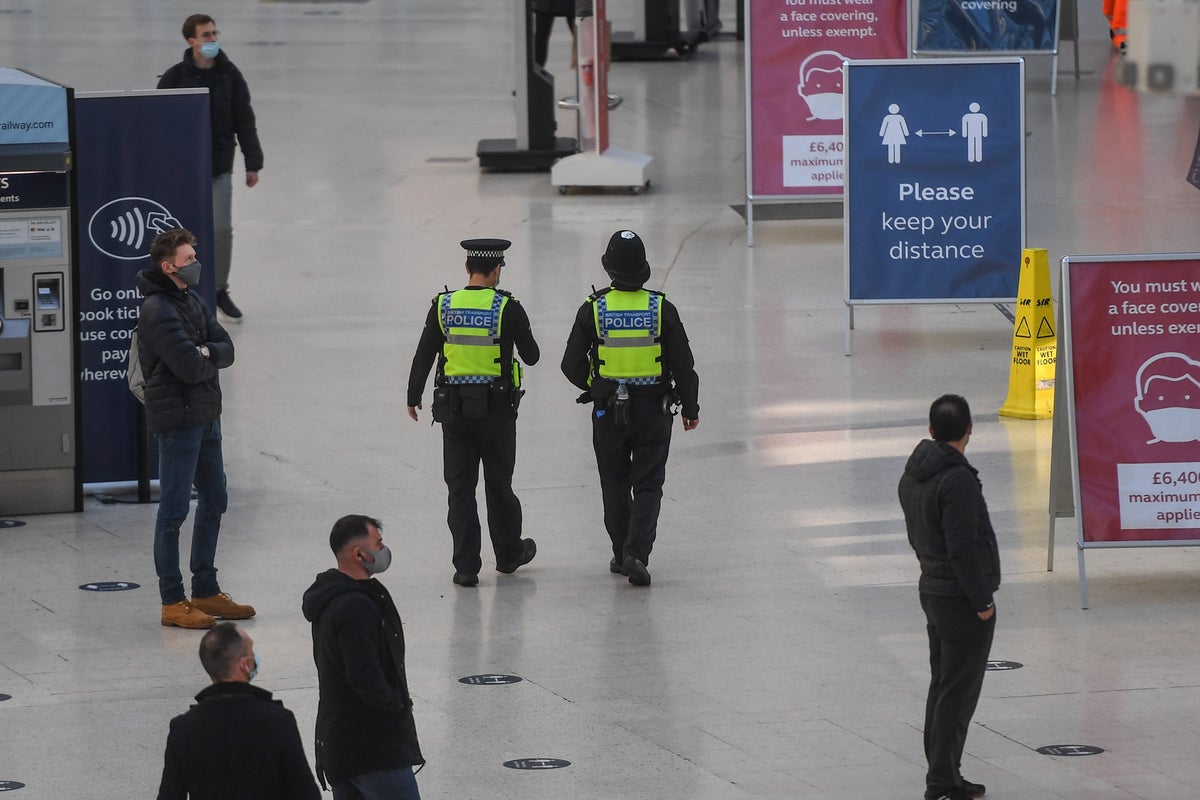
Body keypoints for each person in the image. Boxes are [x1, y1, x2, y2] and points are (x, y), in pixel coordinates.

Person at [560, 230, 700, 586]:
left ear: (609, 270)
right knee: (649, 484)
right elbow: (684, 364)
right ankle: (637, 551)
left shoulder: (592, 309)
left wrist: (596, 387)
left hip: (609, 410)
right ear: (643, 270)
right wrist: (691, 408)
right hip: (654, 410)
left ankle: (622, 554)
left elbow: (570, 365)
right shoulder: (661, 309)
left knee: (614, 483)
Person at [406, 238, 540, 587]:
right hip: (497, 412)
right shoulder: (507, 308)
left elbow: (424, 354)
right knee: (499, 484)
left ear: (467, 268)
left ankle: (466, 567)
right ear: (496, 270)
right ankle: (509, 553)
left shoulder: (443, 306)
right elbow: (532, 355)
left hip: (454, 411)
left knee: (460, 488)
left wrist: (413, 395)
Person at [137, 228, 254, 629]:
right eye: (188, 260)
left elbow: (227, 348)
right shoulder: (158, 310)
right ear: (168, 266)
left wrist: (204, 351)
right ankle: (173, 600)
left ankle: (205, 588)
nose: (195, 265)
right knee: (172, 511)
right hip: (178, 422)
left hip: (205, 416)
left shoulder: (192, 300)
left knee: (215, 500)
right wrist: (206, 353)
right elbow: (189, 366)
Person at [898, 394, 1000, 800]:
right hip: (959, 598)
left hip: (932, 587)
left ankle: (944, 771)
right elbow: (963, 549)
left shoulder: (914, 475)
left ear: (931, 430)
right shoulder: (956, 479)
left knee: (943, 684)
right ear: (970, 430)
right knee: (957, 691)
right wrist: (982, 603)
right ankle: (942, 778)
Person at [302, 515, 425, 800]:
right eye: (378, 543)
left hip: (341, 747)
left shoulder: (334, 597)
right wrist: (397, 707)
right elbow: (364, 676)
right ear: (359, 554)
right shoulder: (355, 606)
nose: (384, 550)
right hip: (373, 749)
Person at [158, 13, 263, 322]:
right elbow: (158, 122)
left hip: (219, 168)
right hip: (184, 171)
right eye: (206, 35)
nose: (213, 39)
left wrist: (252, 163)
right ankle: (178, 290)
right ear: (192, 40)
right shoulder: (174, 78)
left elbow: (244, 119)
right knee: (179, 235)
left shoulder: (230, 76)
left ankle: (218, 289)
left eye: (215, 33)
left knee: (220, 230)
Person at [157, 622, 320, 800]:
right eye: (251, 651)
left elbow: (169, 795)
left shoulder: (183, 728)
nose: (255, 656)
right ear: (245, 665)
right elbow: (306, 793)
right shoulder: (277, 720)